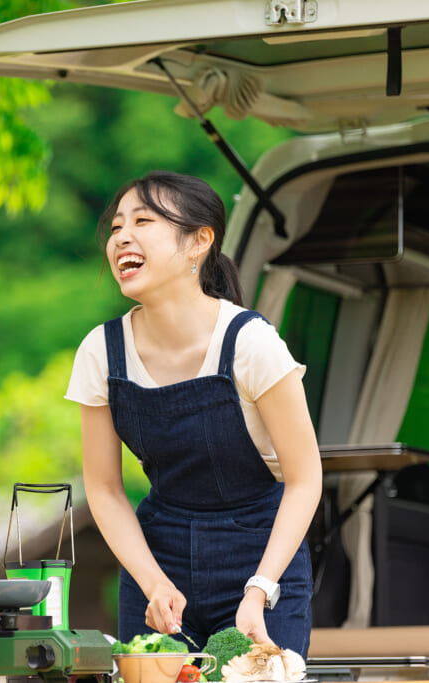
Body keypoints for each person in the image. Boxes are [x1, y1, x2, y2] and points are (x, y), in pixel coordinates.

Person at [65, 170, 322, 656]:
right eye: (116, 226)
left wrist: (260, 588)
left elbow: (305, 478)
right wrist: (152, 582)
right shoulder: (102, 351)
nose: (122, 238)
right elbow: (103, 488)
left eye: (143, 221)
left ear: (199, 241)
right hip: (158, 559)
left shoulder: (250, 343)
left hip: (261, 558)